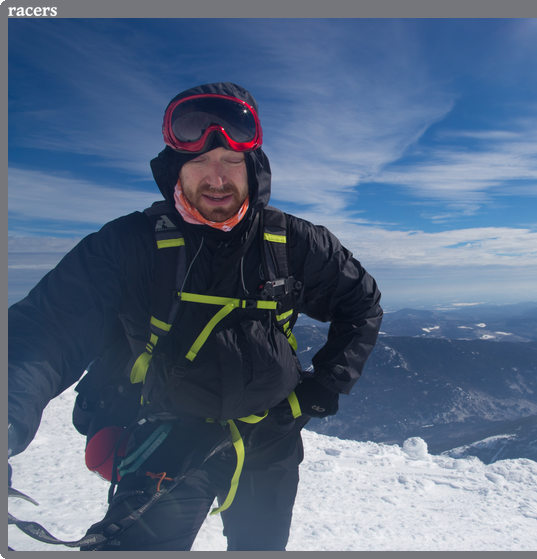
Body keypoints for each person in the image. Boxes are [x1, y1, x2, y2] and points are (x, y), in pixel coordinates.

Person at [7, 82, 383, 551]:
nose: (216, 177)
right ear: (175, 172)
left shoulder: (294, 243)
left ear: (253, 168)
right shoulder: (131, 245)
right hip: (168, 438)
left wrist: (327, 381)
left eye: (230, 161)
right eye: (199, 162)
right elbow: (46, 329)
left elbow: (361, 303)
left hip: (271, 440)